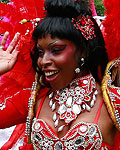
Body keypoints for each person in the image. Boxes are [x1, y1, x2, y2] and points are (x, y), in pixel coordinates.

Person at [0, 0, 119, 149]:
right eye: (40, 52)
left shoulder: (114, 101)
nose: (43, 61)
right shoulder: (32, 99)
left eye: (56, 50)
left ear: (83, 50)